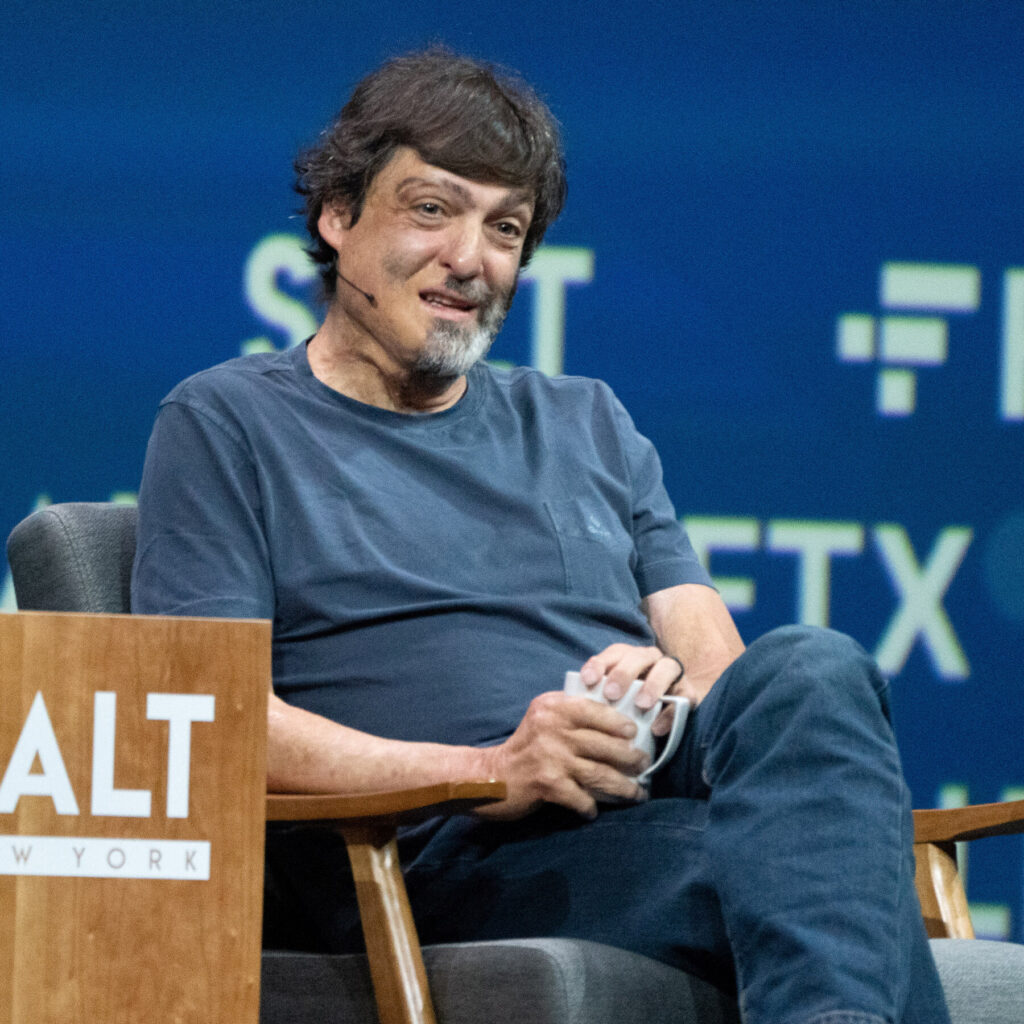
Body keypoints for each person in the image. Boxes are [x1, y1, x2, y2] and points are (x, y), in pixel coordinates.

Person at [132, 48, 951, 1024]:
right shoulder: (227, 421)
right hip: (441, 851)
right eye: (431, 209)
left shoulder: (586, 418)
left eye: (505, 228)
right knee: (822, 878)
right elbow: (210, 722)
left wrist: (658, 698)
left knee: (811, 667)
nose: (470, 258)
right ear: (338, 217)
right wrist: (492, 768)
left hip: (635, 798)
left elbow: (719, 674)